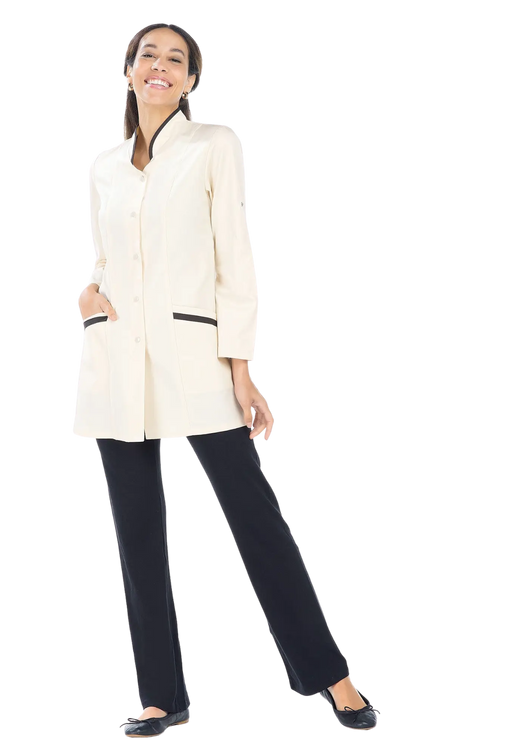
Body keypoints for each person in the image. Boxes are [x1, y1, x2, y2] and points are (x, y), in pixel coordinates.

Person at [72, 21, 381, 738]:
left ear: (190, 80)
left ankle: (333, 677)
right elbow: (104, 256)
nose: (160, 66)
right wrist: (86, 296)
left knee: (255, 518)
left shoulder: (216, 144)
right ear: (128, 70)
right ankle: (160, 696)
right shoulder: (102, 165)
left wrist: (243, 371)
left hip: (196, 355)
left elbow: (235, 256)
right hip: (116, 356)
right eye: (148, 55)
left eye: (175, 59)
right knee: (135, 533)